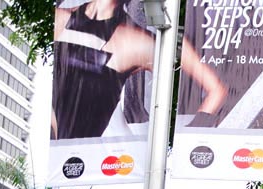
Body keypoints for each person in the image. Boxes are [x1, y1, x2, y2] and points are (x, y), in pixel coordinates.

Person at [53, 0, 226, 139]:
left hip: (85, 157)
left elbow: (217, 90)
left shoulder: (139, 41)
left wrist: (189, 139)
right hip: (54, 158)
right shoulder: (61, 18)